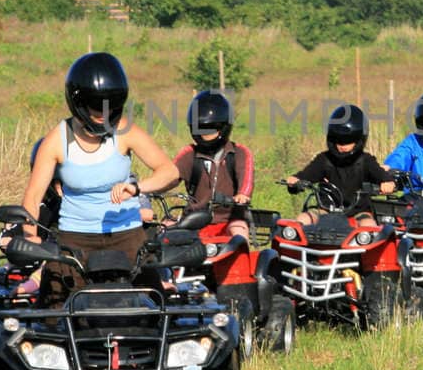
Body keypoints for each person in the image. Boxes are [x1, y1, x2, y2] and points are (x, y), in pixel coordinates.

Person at [20, 52, 181, 292]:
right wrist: (30, 236)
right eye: (96, 109)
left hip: (127, 235)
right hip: (75, 238)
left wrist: (137, 188)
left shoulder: (126, 132)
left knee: (151, 306)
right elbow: (33, 197)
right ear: (79, 103)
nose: (103, 115)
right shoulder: (56, 140)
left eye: (109, 108)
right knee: (55, 310)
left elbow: (170, 172)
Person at [284, 104, 395, 225]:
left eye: (347, 141)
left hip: (359, 213)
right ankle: (296, 243)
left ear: (359, 140)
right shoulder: (324, 160)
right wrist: (295, 181)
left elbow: (383, 176)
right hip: (325, 210)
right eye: (338, 140)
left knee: (369, 225)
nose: (342, 145)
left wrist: (388, 183)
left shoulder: (366, 161)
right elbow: (307, 175)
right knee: (303, 219)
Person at [172, 90, 254, 237]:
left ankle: (243, 258)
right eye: (201, 129)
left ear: (223, 128)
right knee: (165, 229)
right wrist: (146, 193)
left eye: (211, 129)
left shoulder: (240, 152)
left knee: (239, 231)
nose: (205, 134)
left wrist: (242, 195)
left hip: (230, 218)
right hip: (195, 218)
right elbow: (168, 175)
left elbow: (246, 180)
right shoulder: (189, 153)